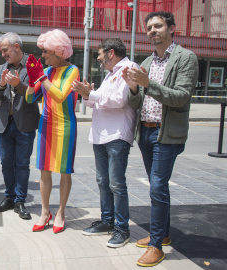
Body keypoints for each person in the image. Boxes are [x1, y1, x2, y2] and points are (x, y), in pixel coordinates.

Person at [122, 11, 198, 267]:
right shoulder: (147, 61)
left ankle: (156, 246)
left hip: (167, 134)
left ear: (172, 28)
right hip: (146, 131)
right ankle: (163, 233)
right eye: (149, 27)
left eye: (158, 26)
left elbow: (181, 97)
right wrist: (134, 87)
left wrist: (148, 82)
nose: (152, 30)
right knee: (159, 187)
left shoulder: (186, 58)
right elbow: (137, 102)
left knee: (156, 186)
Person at [72, 37, 138, 248]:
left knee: (117, 183)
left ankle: (122, 228)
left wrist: (90, 93)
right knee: (103, 181)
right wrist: (85, 93)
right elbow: (95, 100)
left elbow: (121, 100)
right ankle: (107, 221)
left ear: (111, 53)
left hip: (117, 135)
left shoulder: (128, 68)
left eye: (100, 54)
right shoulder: (110, 74)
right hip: (101, 135)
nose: (98, 58)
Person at [25, 29, 79, 233]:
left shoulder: (72, 70)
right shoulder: (46, 72)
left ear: (59, 51)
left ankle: (61, 212)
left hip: (66, 125)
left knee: (64, 170)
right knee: (44, 170)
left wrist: (40, 76)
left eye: (46, 51)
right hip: (46, 125)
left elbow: (60, 95)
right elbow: (30, 98)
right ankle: (45, 212)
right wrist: (31, 82)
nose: (43, 56)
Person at [0, 32, 39, 220]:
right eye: (2, 51)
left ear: (16, 47)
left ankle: (20, 201)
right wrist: (2, 85)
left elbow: (37, 95)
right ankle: (9, 197)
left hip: (25, 124)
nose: (3, 54)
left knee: (22, 164)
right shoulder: (3, 67)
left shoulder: (33, 64)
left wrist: (19, 85)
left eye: (5, 50)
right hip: (5, 124)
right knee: (6, 164)